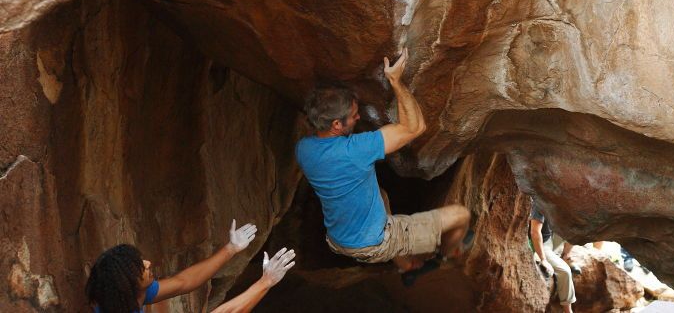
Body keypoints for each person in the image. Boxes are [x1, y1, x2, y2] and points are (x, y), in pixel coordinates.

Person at [295, 48, 472, 276]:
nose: (358, 117)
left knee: (382, 195)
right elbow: (415, 127)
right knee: (460, 215)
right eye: (353, 115)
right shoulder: (356, 150)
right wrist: (396, 81)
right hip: (375, 243)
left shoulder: (304, 148)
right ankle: (445, 256)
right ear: (336, 125)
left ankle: (405, 265)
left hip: (337, 237)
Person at [86, 220, 295, 312]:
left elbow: (183, 282)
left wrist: (231, 248)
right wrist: (265, 282)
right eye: (139, 267)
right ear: (128, 288)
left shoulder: (119, 299)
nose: (147, 263)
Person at [528, 197, 576, 313]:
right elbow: (535, 232)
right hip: (541, 244)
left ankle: (565, 256)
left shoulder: (555, 196)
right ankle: (567, 310)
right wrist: (543, 259)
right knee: (565, 271)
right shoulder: (538, 201)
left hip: (551, 237)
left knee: (576, 230)